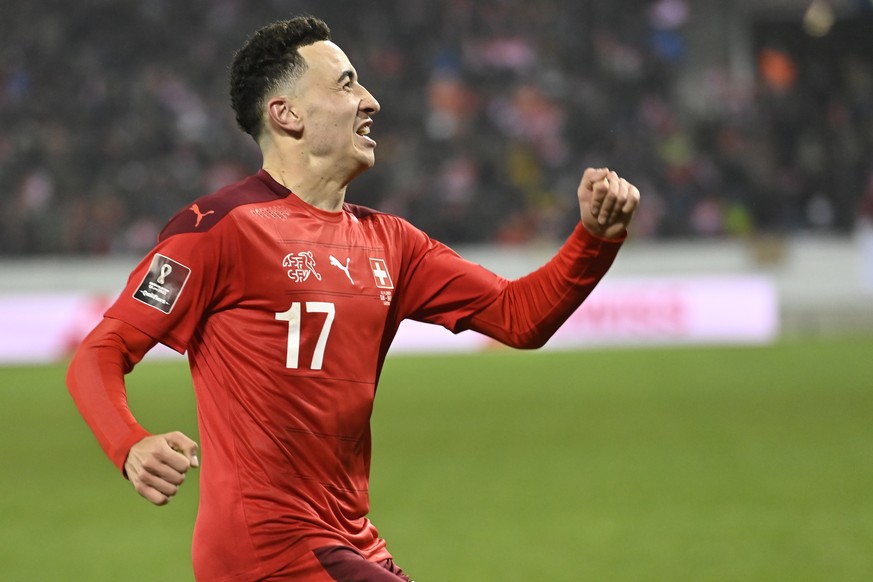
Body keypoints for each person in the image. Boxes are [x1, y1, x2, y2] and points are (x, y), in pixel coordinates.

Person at [66, 15, 640, 582]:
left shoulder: (390, 242)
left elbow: (520, 317)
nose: (371, 101)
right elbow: (101, 350)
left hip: (349, 539)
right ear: (286, 114)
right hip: (268, 547)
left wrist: (596, 236)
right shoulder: (216, 229)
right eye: (345, 84)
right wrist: (130, 444)